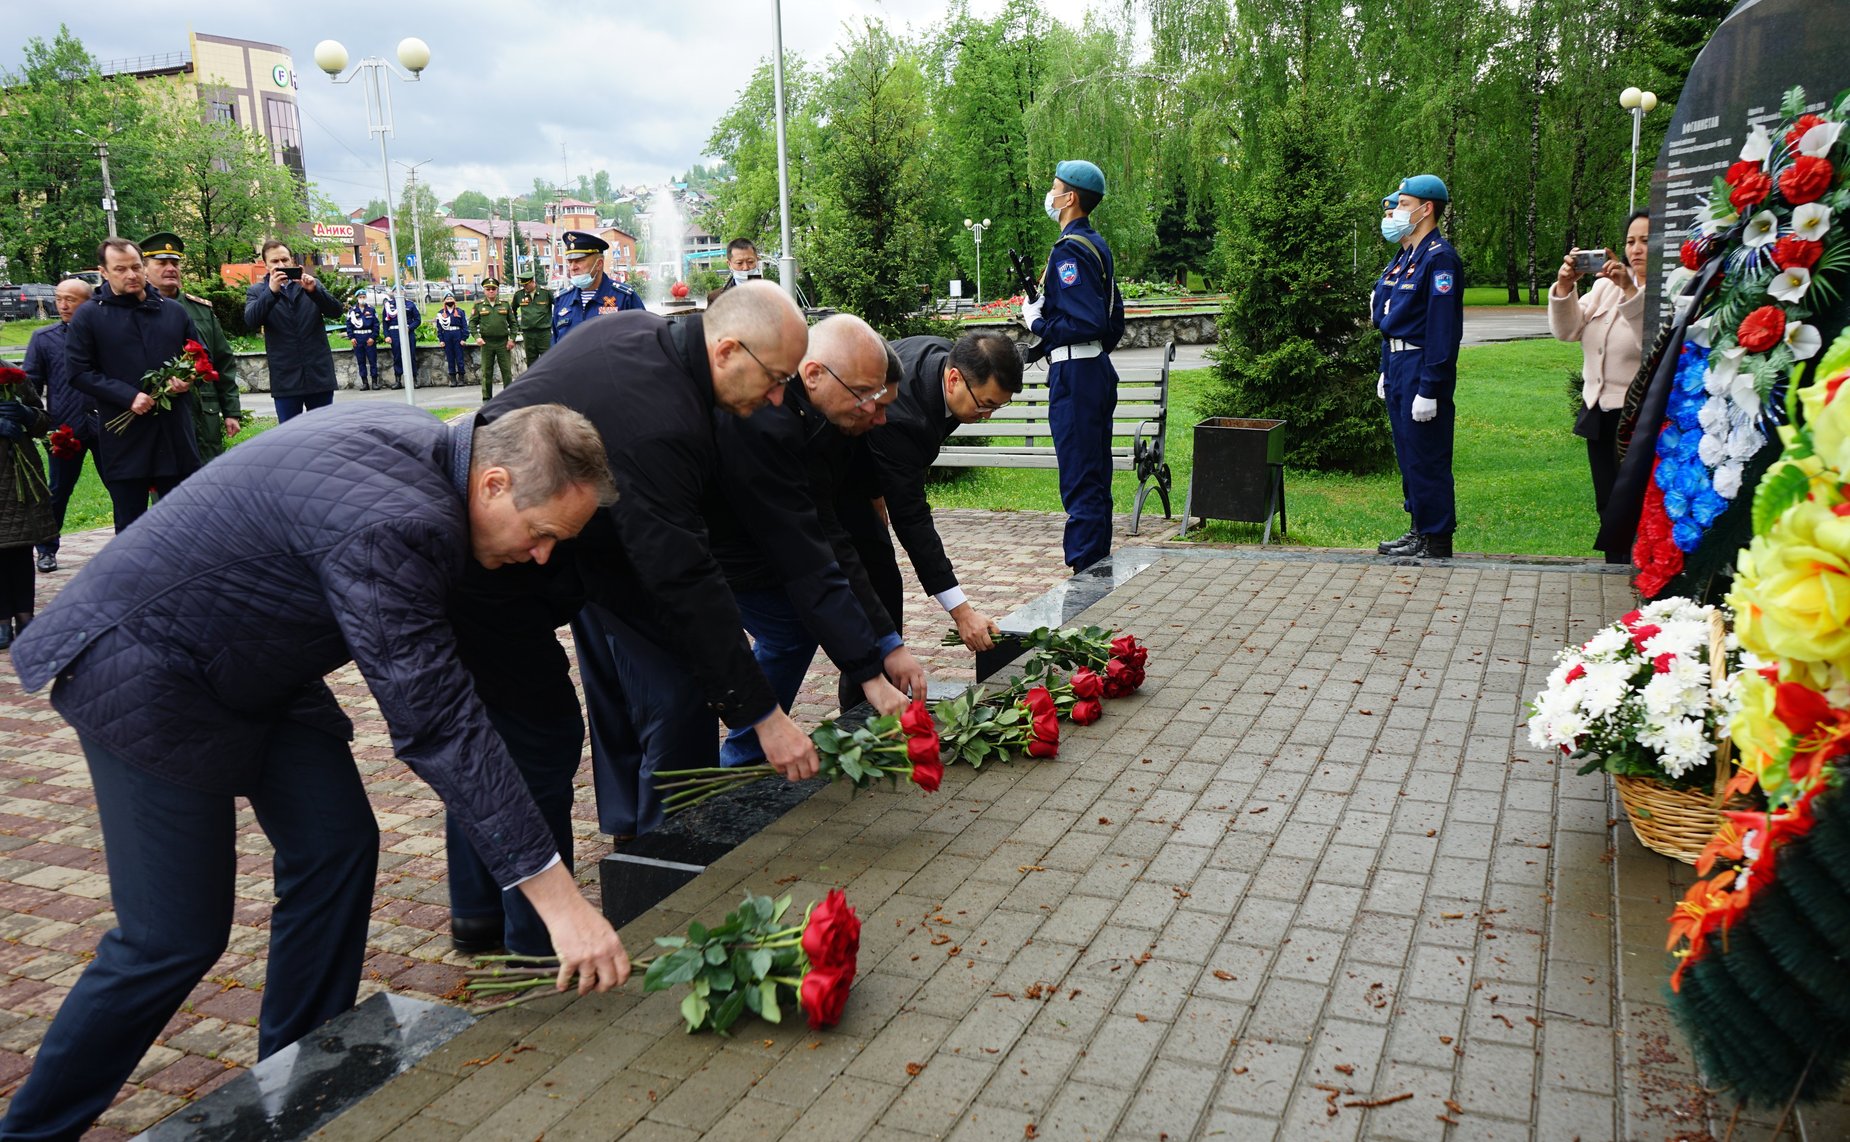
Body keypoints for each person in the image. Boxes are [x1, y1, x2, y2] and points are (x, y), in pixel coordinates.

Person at [0, 402, 628, 1138]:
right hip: (142, 669)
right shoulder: (400, 521)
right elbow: (436, 721)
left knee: (336, 844)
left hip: (254, 659)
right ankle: (33, 1132)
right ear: (493, 484)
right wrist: (558, 900)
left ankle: (295, 1074)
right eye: (543, 533)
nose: (544, 555)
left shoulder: (432, 459)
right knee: (171, 937)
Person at [442, 283, 821, 957]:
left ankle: (489, 911)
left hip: (570, 550)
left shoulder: (646, 343)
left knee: (627, 702)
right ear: (727, 349)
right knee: (537, 738)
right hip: (499, 554)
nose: (774, 399)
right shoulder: (661, 415)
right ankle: (538, 945)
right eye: (774, 380)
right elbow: (680, 570)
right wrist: (764, 715)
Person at [709, 314, 927, 771]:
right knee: (782, 629)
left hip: (749, 536)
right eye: (870, 401)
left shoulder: (829, 419)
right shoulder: (772, 420)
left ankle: (740, 757)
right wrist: (871, 671)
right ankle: (737, 761)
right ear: (812, 375)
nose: (879, 417)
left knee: (791, 626)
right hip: (705, 542)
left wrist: (886, 642)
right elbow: (808, 557)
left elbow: (834, 539)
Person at [837, 330, 1022, 676]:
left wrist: (877, 489)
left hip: (864, 475)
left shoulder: (937, 353)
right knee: (877, 592)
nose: (987, 417)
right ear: (954, 378)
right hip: (834, 485)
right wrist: (962, 613)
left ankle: (874, 696)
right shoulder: (904, 419)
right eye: (985, 405)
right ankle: (865, 708)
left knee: (880, 589)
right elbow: (912, 519)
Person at [1021, 159, 1126, 573]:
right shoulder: (1095, 245)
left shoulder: (1069, 250)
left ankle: (1085, 574)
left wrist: (1038, 322)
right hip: (1094, 370)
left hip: (1077, 376)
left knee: (1081, 478)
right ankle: (1097, 565)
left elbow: (1088, 321)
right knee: (1095, 478)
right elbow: (1111, 319)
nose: (1051, 195)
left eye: (1054, 187)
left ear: (1071, 198)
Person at [66, 237, 202, 532]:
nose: (131, 275)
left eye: (136, 267)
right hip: (125, 435)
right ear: (104, 272)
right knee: (132, 527)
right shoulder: (89, 316)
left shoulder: (173, 311)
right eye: (120, 269)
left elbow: (198, 357)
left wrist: (188, 379)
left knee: (183, 523)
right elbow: (78, 372)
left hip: (174, 434)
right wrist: (128, 397)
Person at [1374, 174, 1464, 560]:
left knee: (1427, 453)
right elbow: (1387, 316)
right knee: (1409, 451)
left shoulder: (1439, 258)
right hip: (1398, 362)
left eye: (1405, 204)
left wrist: (1431, 387)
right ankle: (1418, 528)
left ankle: (1436, 537)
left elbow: (1442, 331)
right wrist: (1385, 367)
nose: (1396, 211)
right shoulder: (1408, 255)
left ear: (1427, 209)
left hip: (1421, 364)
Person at [1552, 209, 1648, 541]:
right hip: (1598, 410)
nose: (1636, 250)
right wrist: (1565, 288)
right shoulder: (1607, 288)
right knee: (1607, 502)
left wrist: (1629, 291)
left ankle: (1640, 571)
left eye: (1646, 241)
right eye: (1630, 241)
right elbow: (1568, 330)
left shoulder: (1670, 289)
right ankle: (1613, 573)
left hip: (1638, 417)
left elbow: (1652, 344)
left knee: (1636, 503)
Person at [142, 233, 243, 462]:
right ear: (145, 269)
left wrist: (231, 412)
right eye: (161, 263)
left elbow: (223, 361)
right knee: (166, 482)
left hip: (203, 412)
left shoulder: (201, 310)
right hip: (159, 410)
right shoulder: (136, 310)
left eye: (175, 263)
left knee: (207, 478)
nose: (170, 268)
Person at [24, 278, 95, 573]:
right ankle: (47, 549)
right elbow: (29, 386)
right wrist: (43, 424)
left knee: (123, 488)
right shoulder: (44, 338)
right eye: (59, 298)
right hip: (65, 431)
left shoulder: (102, 335)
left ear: (87, 302)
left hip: (107, 425)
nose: (63, 304)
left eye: (71, 299)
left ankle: (125, 543)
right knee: (57, 491)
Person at [243, 240, 342, 423]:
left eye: (284, 259)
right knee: (290, 437)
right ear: (265, 265)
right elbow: (251, 321)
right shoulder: (258, 292)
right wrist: (271, 292)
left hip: (318, 375)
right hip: (285, 378)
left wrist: (315, 291)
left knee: (324, 433)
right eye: (274, 261)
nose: (281, 265)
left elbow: (336, 312)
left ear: (292, 261)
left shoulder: (310, 285)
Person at [0, 365, 56, 649]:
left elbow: (44, 420)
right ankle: (1, 621)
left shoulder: (13, 375)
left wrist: (27, 415)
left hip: (17, 474)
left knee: (20, 548)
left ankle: (25, 617)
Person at [551, 230, 644, 345]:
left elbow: (643, 343)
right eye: (570, 262)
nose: (572, 267)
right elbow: (555, 347)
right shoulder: (562, 300)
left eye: (579, 261)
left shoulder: (624, 298)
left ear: (599, 264)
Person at [472, 278, 518, 400]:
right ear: (484, 291)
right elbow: (471, 324)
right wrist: (477, 337)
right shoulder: (478, 305)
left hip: (503, 343)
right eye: (488, 289)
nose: (491, 291)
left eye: (493, 289)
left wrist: (512, 339)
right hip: (487, 343)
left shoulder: (505, 304)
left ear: (497, 290)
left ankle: (509, 397)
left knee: (506, 371)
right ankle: (487, 398)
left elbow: (513, 323)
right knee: (487, 372)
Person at [513, 270, 554, 366]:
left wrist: (554, 323)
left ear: (532, 282)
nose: (524, 287)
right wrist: (517, 326)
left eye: (526, 285)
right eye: (522, 285)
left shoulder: (546, 293)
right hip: (528, 334)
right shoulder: (519, 295)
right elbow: (512, 311)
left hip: (544, 333)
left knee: (548, 360)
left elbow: (559, 306)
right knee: (531, 362)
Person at [382, 292, 423, 387]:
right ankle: (398, 380)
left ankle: (414, 380)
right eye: (396, 291)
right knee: (397, 357)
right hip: (394, 333)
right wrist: (387, 335)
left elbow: (417, 319)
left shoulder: (410, 304)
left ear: (404, 292)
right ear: (393, 293)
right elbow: (385, 322)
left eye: (401, 290)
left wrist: (410, 327)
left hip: (408, 332)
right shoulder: (388, 305)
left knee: (411, 356)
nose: (398, 293)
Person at [344, 295, 380, 390]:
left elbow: (376, 325)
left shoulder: (371, 309)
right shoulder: (352, 311)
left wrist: (373, 337)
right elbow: (348, 325)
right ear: (357, 298)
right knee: (361, 361)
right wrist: (351, 337)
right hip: (358, 339)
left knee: (373, 361)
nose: (362, 298)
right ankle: (365, 383)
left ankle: (375, 383)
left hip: (369, 338)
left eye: (364, 296)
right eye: (360, 297)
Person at [436, 294, 470, 385]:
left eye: (451, 298)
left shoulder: (460, 312)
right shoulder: (440, 313)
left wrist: (464, 338)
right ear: (444, 301)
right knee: (450, 358)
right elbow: (439, 328)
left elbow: (465, 326)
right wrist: (441, 340)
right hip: (447, 335)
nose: (449, 300)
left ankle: (461, 378)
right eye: (447, 299)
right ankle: (453, 378)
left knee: (459, 357)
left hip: (457, 335)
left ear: (454, 300)